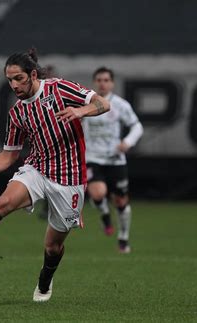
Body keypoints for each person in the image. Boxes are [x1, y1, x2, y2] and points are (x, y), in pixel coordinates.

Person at [0, 48, 110, 302]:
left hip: (70, 179)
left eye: (18, 79)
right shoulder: (17, 113)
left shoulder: (58, 89)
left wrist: (81, 111)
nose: (13, 85)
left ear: (33, 74)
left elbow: (103, 103)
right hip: (37, 170)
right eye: (9, 80)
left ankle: (45, 283)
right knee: (2, 203)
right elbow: (9, 155)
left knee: (53, 246)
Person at [81, 67, 143, 254]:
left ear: (112, 83)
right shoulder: (86, 103)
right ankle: (105, 215)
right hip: (92, 157)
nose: (102, 83)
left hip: (115, 159)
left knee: (121, 201)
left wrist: (127, 142)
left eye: (106, 80)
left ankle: (123, 238)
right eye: (99, 80)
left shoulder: (120, 105)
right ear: (94, 82)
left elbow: (137, 126)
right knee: (98, 193)